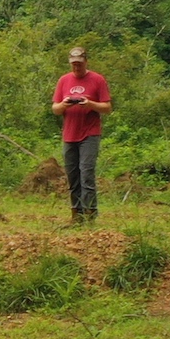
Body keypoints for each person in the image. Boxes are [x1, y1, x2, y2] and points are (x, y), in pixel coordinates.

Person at [51, 46, 112, 223]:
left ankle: (90, 213)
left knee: (86, 173)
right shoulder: (64, 80)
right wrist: (64, 104)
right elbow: (55, 109)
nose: (76, 67)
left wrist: (90, 104)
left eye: (79, 63)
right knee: (72, 176)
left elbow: (107, 107)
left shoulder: (97, 80)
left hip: (89, 134)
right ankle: (76, 215)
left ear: (86, 61)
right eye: (73, 64)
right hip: (69, 134)